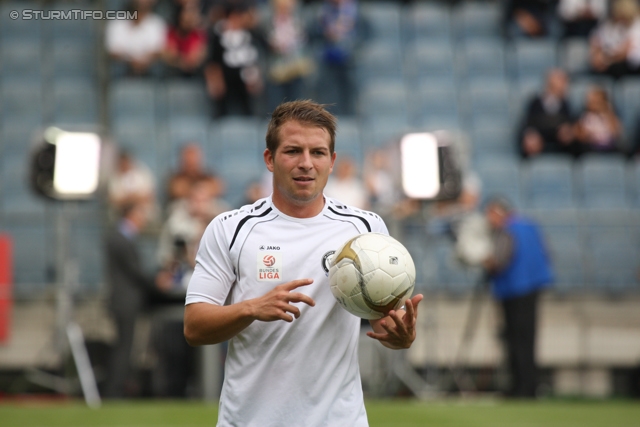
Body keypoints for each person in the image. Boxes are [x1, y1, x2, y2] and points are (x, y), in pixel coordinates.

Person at [183, 100, 423, 426]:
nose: (306, 163)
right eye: (293, 151)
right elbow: (194, 326)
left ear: (332, 161)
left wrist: (400, 335)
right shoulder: (230, 228)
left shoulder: (365, 229)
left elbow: (382, 322)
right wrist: (252, 308)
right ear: (270, 159)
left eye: (318, 153)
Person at [483, 197, 553, 399]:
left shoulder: (507, 230)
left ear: (498, 212)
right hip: (533, 287)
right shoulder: (530, 226)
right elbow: (546, 254)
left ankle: (520, 388)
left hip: (514, 290)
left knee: (515, 340)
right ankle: (529, 386)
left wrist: (488, 263)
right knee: (528, 340)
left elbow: (501, 260)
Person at [103, 202, 171, 398]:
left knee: (125, 346)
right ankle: (114, 392)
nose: (143, 219)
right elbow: (135, 272)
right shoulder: (120, 239)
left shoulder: (120, 237)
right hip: (125, 302)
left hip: (123, 301)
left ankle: (117, 389)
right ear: (130, 214)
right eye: (141, 214)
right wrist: (157, 282)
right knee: (124, 347)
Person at [204, 1, 263, 117]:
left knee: (249, 109)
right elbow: (212, 61)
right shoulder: (218, 35)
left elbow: (254, 58)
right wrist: (215, 79)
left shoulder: (250, 34)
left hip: (245, 80)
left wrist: (255, 78)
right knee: (221, 111)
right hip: (224, 78)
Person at [518, 68, 576, 159]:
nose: (565, 84)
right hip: (538, 146)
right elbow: (528, 124)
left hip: (560, 148)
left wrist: (568, 132)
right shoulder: (535, 103)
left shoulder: (566, 105)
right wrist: (531, 135)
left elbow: (570, 124)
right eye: (562, 80)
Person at [106, 0, 167, 78]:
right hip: (123, 71)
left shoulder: (157, 24)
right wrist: (131, 60)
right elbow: (113, 51)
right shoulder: (117, 23)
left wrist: (143, 61)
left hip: (150, 71)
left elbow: (159, 51)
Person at [589, 0, 640, 79]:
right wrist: (598, 54)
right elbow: (597, 39)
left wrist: (606, 59)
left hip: (633, 69)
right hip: (613, 64)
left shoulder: (637, 25)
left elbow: (625, 52)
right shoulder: (613, 24)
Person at [107, 149, 159, 224]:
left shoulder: (142, 173)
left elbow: (149, 196)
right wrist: (133, 199)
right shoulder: (114, 178)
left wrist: (130, 199)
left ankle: (125, 233)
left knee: (136, 214)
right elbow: (114, 201)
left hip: (142, 211)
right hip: (121, 213)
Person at [163, 3, 208, 78]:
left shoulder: (199, 34)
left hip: (193, 73)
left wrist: (181, 59)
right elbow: (169, 55)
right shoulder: (171, 31)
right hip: (172, 72)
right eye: (186, 16)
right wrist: (180, 61)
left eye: (192, 16)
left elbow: (195, 58)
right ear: (180, 17)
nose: (189, 18)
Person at [573, 85, 623, 154]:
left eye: (596, 101)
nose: (593, 104)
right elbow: (581, 136)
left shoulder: (610, 115)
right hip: (591, 149)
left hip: (610, 149)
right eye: (591, 101)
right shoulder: (585, 116)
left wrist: (607, 114)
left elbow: (616, 133)